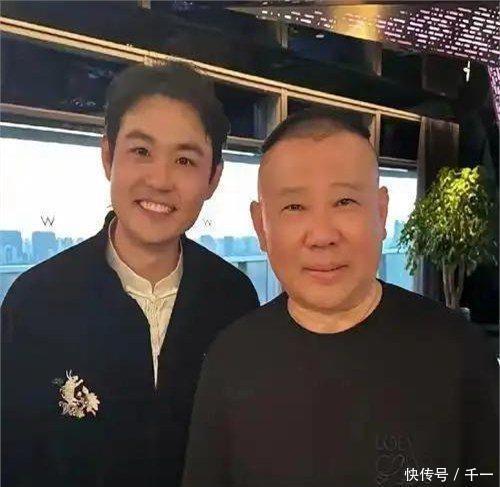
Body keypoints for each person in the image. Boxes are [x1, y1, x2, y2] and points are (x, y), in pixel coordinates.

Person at [182, 108, 498, 487]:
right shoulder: (231, 358)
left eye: (345, 202)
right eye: (294, 207)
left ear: (381, 213)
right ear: (261, 226)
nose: (322, 235)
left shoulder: (458, 351)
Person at [1, 62, 259, 487]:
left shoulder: (233, 299)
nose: (160, 180)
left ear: (213, 178)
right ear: (108, 156)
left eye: (184, 160)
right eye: (141, 151)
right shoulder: (36, 301)